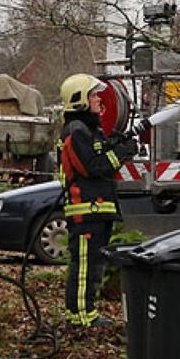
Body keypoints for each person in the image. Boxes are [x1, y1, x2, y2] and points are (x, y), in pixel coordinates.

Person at [56, 74, 137, 329]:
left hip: (97, 210)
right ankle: (80, 317)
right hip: (86, 212)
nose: (98, 99)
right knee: (84, 267)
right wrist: (121, 152)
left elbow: (100, 156)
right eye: (93, 95)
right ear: (79, 99)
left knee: (93, 266)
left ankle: (85, 312)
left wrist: (119, 145)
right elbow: (92, 167)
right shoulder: (76, 130)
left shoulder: (89, 130)